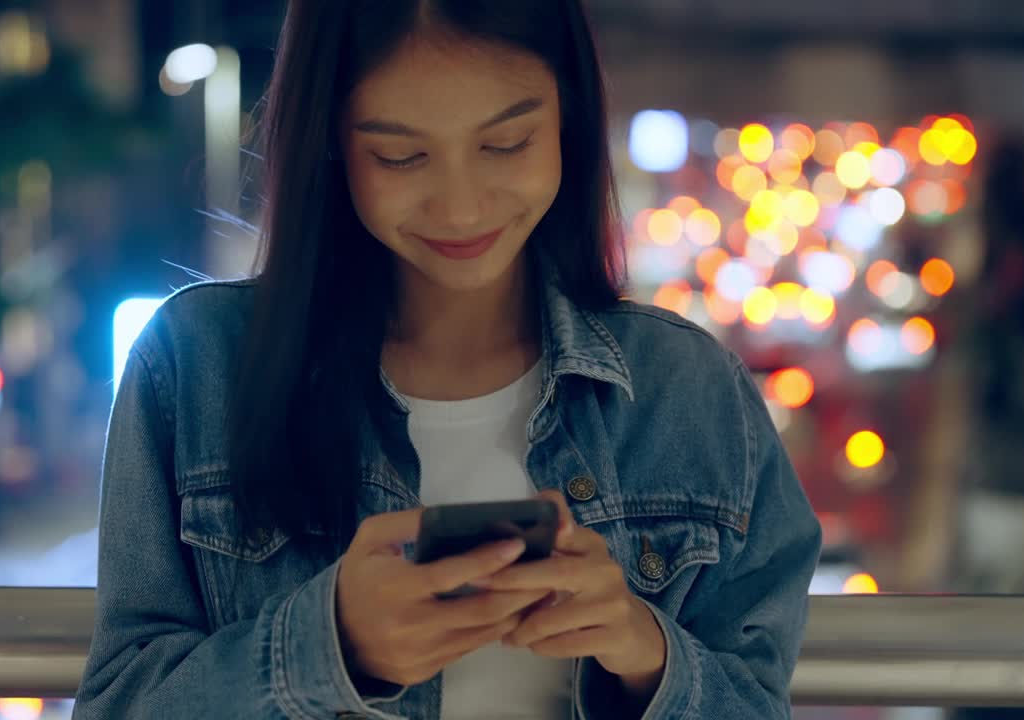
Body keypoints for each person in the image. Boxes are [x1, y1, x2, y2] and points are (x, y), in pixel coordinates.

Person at [74, 1, 820, 718]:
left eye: (507, 144)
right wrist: (323, 643)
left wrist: (642, 650)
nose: (461, 208)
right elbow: (118, 705)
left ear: (570, 116)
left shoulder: (686, 393)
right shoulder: (196, 369)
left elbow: (757, 701)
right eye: (401, 155)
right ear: (330, 142)